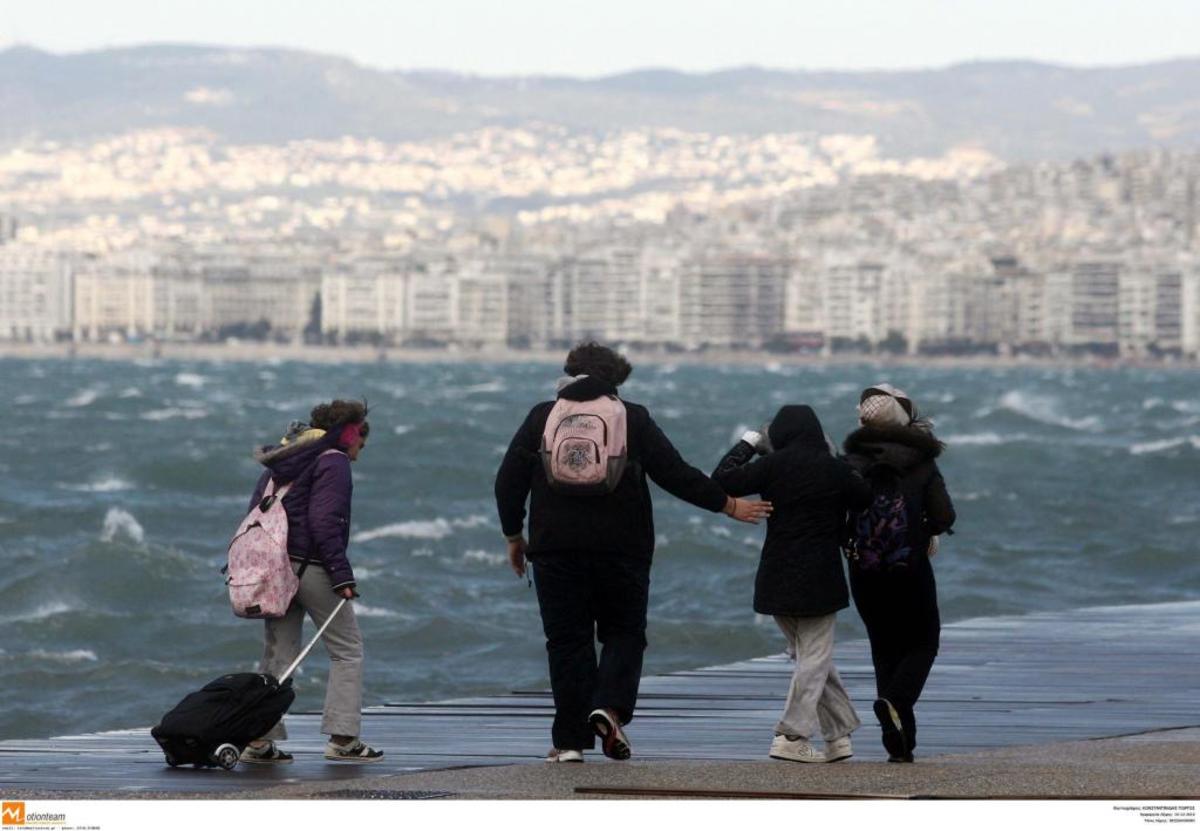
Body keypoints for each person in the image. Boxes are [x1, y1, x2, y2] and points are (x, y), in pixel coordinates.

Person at [494, 342, 771, 763]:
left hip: (555, 548)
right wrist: (727, 504)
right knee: (624, 633)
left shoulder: (542, 416)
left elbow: (507, 481)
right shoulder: (632, 417)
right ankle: (610, 706)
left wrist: (514, 536)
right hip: (623, 548)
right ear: (615, 380)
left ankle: (569, 743)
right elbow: (674, 473)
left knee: (567, 642)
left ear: (569, 373)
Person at [712, 405, 871, 763]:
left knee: (812, 658)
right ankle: (791, 735)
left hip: (776, 577)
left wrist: (749, 443)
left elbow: (721, 478)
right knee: (814, 658)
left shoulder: (772, 466)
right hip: (821, 578)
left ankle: (839, 735)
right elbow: (865, 499)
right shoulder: (834, 470)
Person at [239, 399, 384, 764]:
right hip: (314, 568)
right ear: (349, 434)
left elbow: (257, 509)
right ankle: (343, 738)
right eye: (359, 445)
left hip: (277, 567)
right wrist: (342, 576)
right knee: (347, 650)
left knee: (279, 655)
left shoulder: (285, 457)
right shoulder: (332, 460)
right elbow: (324, 523)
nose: (357, 456)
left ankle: (258, 739)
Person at [842, 383, 956, 763]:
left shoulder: (851, 461)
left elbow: (838, 515)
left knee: (884, 648)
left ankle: (899, 745)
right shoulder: (922, 461)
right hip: (910, 569)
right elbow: (944, 516)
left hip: (864, 570)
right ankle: (896, 702)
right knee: (924, 641)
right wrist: (927, 531)